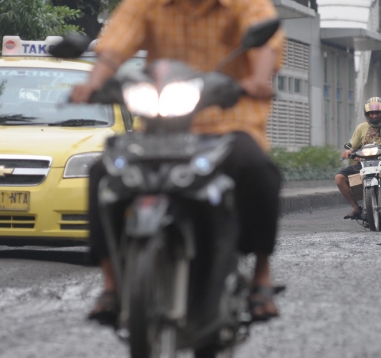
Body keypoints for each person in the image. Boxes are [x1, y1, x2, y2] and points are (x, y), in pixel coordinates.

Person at [71, 0, 285, 324]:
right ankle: (111, 284)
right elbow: (115, 43)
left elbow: (266, 42)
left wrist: (258, 78)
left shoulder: (243, 3)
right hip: (162, 124)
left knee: (256, 168)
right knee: (103, 171)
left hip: (230, 120)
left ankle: (261, 276)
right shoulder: (147, 4)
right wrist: (94, 82)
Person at [336, 97, 381, 220]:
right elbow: (352, 146)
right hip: (364, 162)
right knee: (339, 178)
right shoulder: (361, 128)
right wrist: (347, 152)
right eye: (371, 113)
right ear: (367, 114)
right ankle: (355, 207)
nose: (374, 116)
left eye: (377, 113)